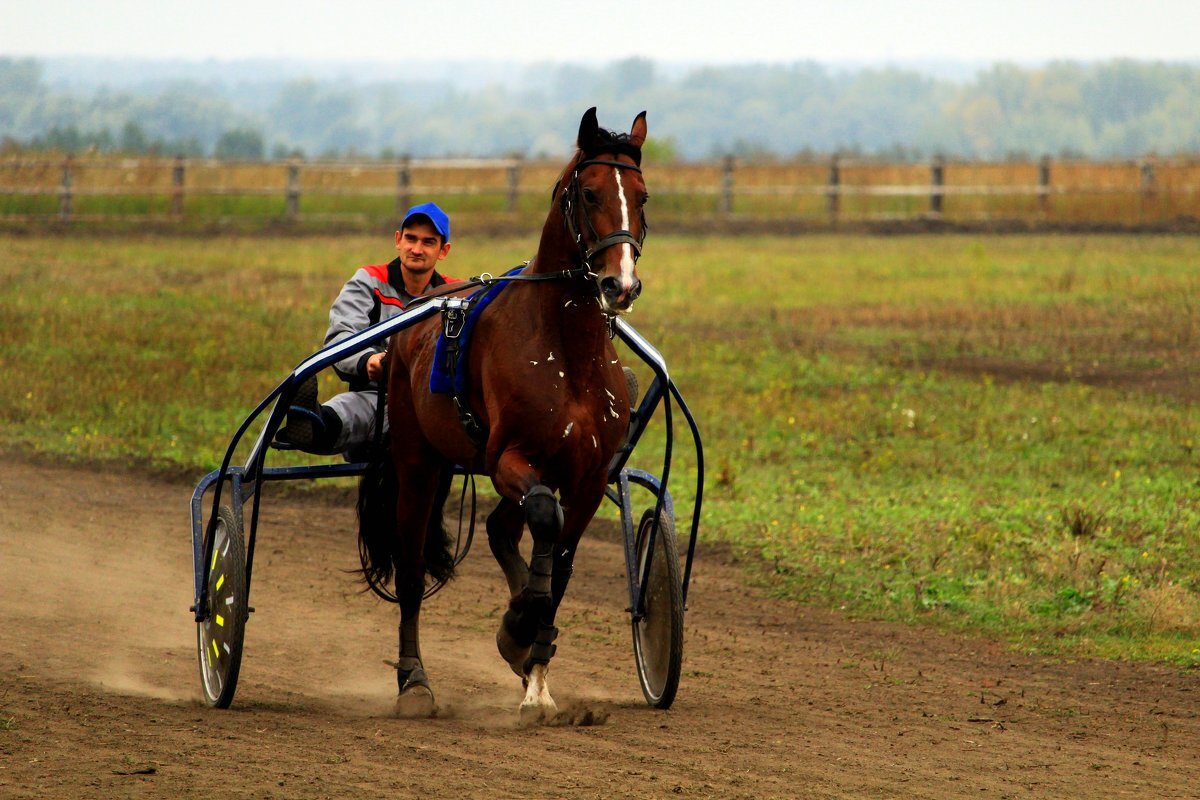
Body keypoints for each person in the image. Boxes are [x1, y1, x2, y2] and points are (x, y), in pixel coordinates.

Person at [277, 202, 457, 456]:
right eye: (411, 239)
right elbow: (341, 335)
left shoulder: (455, 294)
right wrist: (367, 360)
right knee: (353, 410)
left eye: (428, 242)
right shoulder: (368, 281)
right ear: (398, 240)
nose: (416, 249)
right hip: (376, 394)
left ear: (443, 251)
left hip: (433, 404)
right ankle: (312, 424)